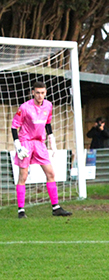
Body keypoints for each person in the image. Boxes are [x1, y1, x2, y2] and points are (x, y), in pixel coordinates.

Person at [11, 81, 72, 219]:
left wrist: (52, 139)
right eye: (37, 93)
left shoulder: (48, 105)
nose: (40, 96)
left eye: (42, 93)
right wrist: (18, 146)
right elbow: (14, 126)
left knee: (51, 173)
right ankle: (21, 210)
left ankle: (56, 207)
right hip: (26, 142)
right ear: (33, 92)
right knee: (23, 176)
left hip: (40, 143)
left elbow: (48, 123)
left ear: (46, 93)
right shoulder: (24, 107)